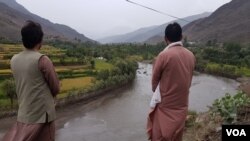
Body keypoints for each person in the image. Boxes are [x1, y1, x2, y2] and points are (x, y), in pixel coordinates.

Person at [2, 20, 60, 141]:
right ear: (40, 41)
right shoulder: (42, 60)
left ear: (23, 40)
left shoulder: (14, 60)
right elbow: (55, 88)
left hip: (24, 115)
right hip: (43, 116)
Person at [147, 22, 195, 141]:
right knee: (176, 135)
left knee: (159, 136)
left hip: (165, 106)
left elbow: (154, 83)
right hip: (182, 105)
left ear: (165, 39)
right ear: (181, 36)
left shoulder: (163, 56)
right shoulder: (191, 55)